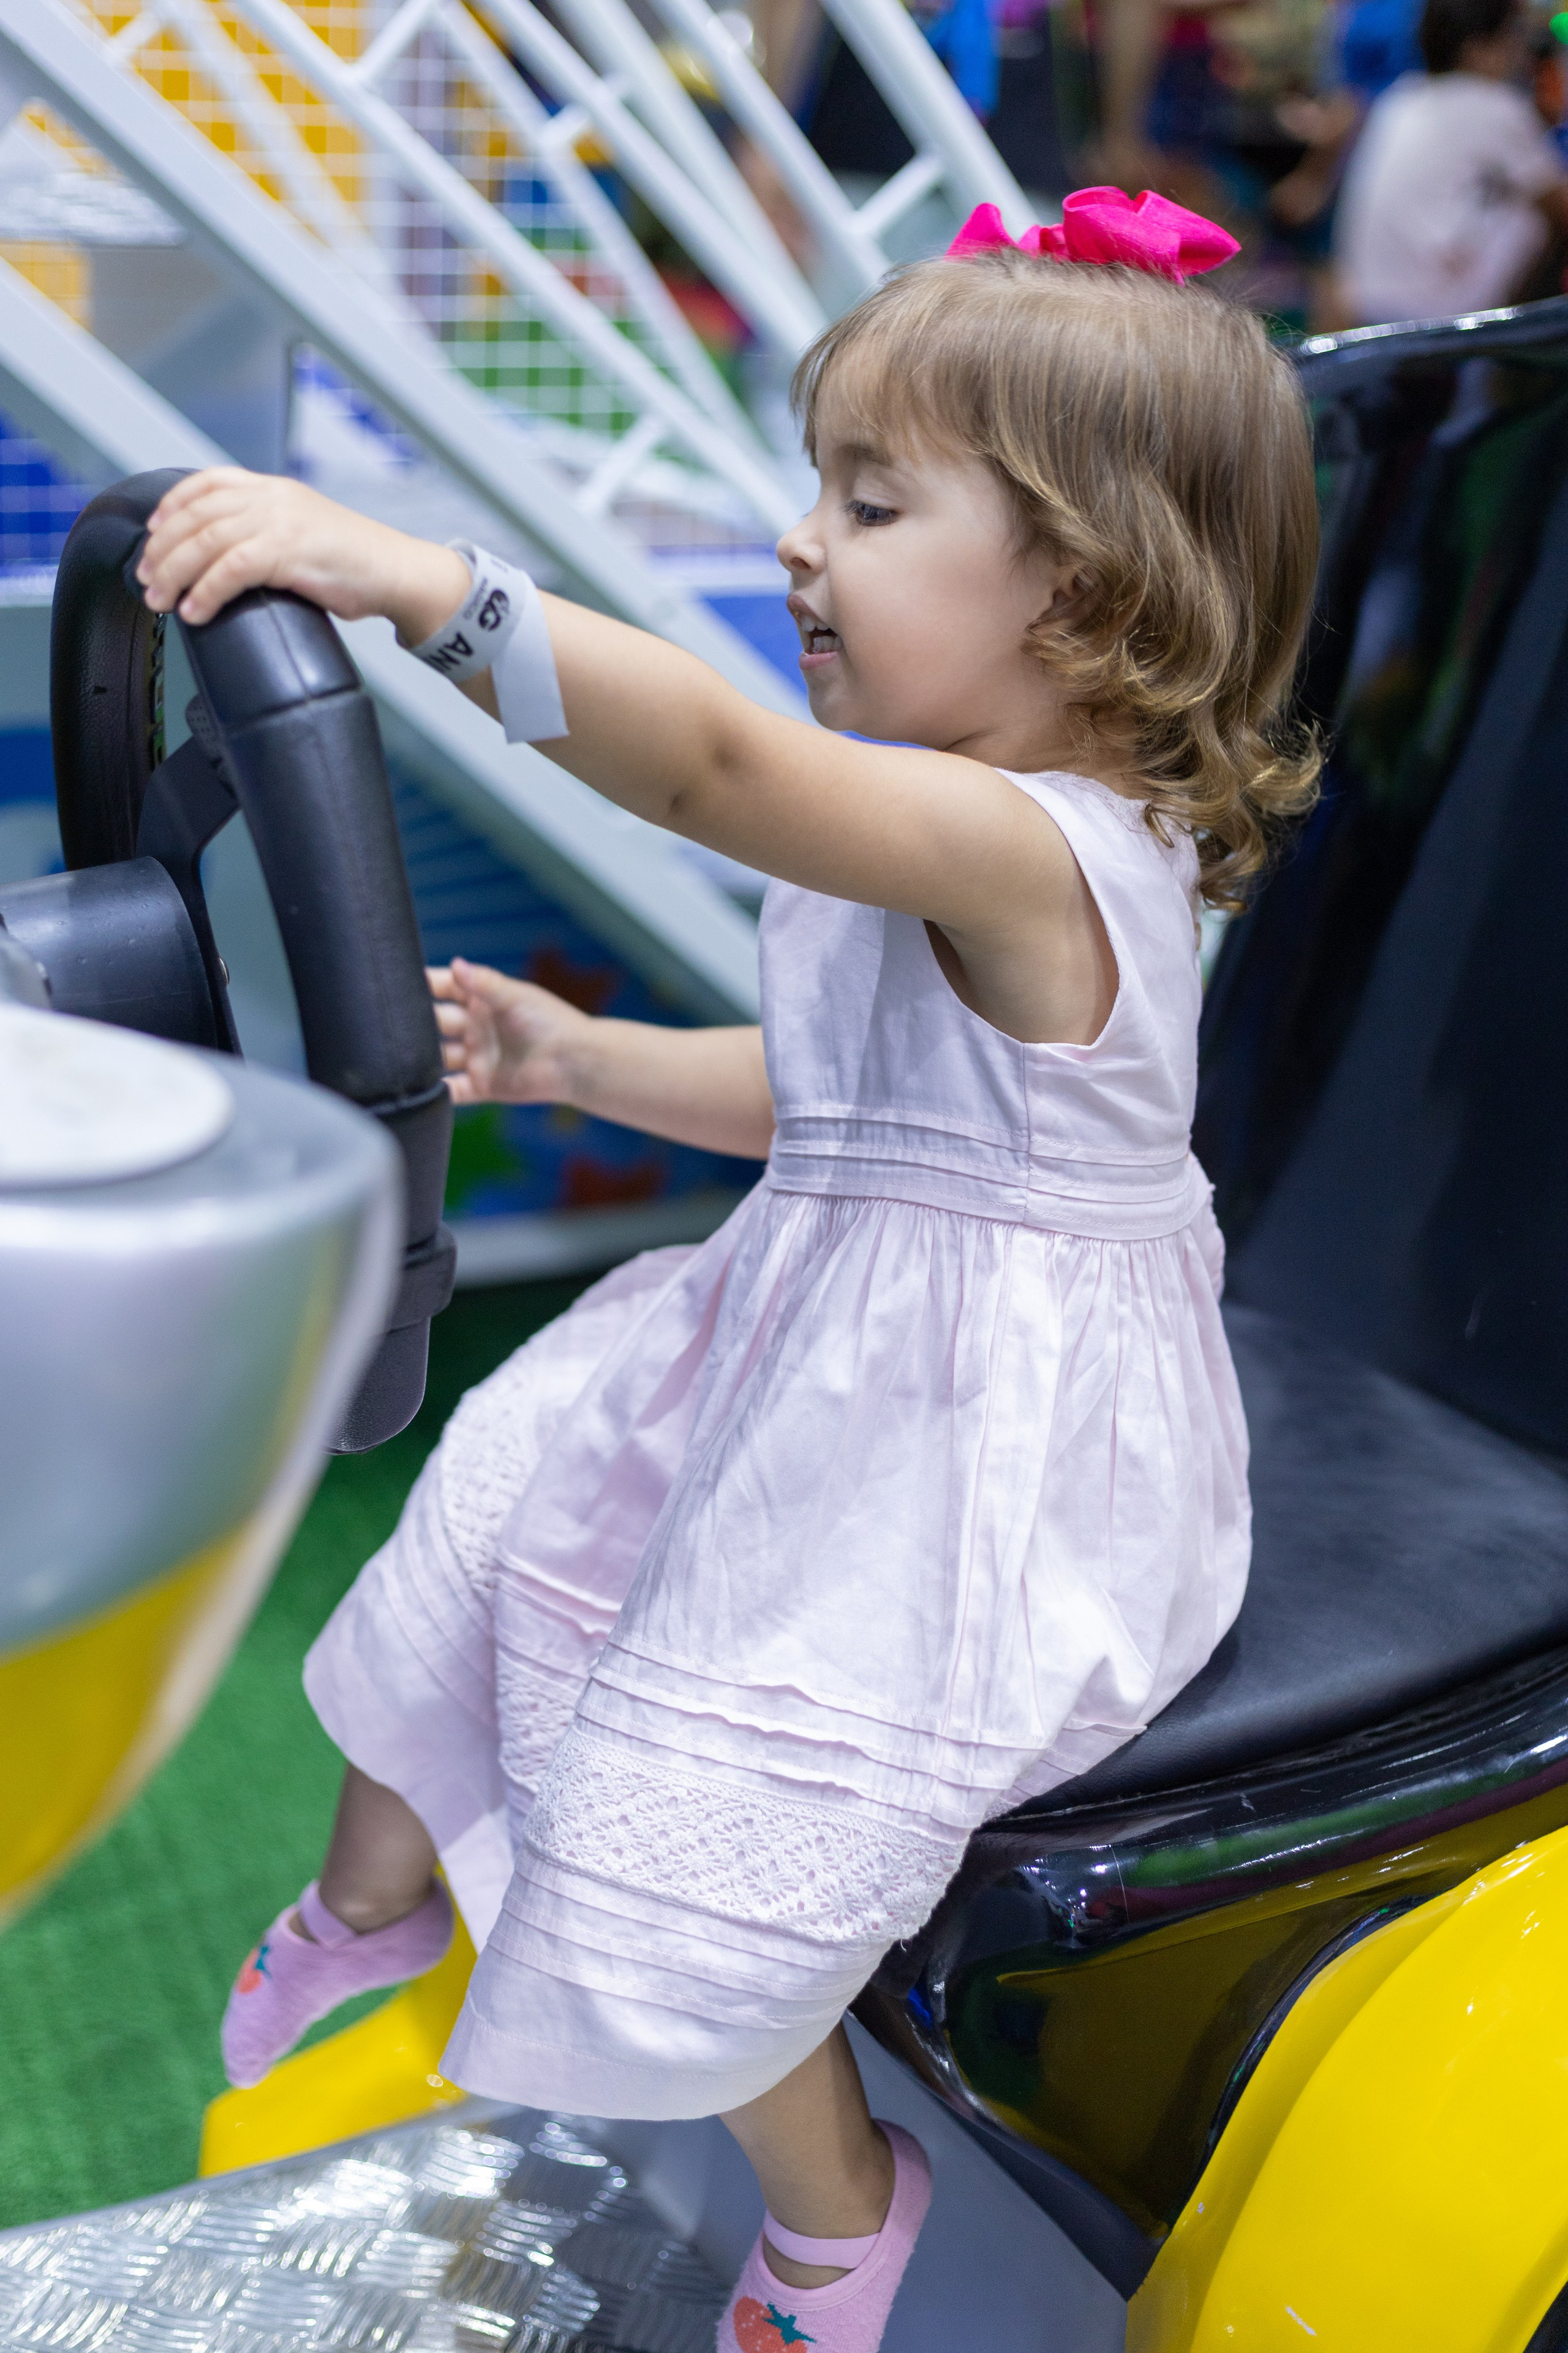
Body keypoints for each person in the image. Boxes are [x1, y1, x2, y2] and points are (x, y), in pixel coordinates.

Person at [136, 187, 1318, 2353]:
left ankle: (839, 2210)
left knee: (683, 1796)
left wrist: (434, 591)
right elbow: (844, 1099)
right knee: (505, 1485)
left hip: (985, 1457)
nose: (802, 541)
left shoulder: (1034, 845)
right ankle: (381, 1905)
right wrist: (590, 1056)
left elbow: (708, 758)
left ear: (1086, 582)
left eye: (872, 501)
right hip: (822, 1343)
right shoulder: (943, 826)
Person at [1333, 0, 1568, 323]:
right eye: (1513, 35)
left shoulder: (1399, 97)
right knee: (1535, 216)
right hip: (1441, 312)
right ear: (1477, 49)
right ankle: (1514, 351)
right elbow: (1561, 209)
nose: (1521, 50)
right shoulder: (1494, 104)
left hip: (1365, 300)